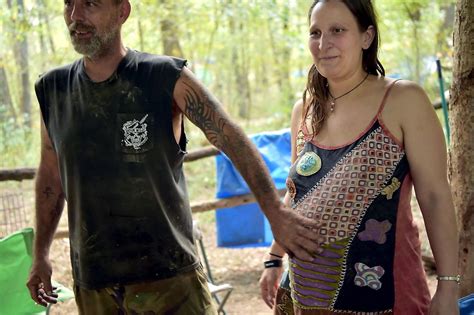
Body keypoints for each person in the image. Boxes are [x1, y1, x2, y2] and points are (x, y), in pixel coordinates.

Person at [26, 0, 323, 313]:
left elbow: (230, 137)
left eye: (90, 4)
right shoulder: (53, 90)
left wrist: (275, 212)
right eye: (68, 4)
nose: (75, 17)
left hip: (170, 278)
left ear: (122, 11)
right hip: (94, 282)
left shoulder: (165, 77)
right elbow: (50, 177)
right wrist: (40, 254)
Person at [259, 0, 460, 314]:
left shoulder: (402, 100)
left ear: (366, 37)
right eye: (315, 32)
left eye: (337, 30)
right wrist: (274, 256)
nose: (324, 44)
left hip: (385, 294)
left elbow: (435, 196)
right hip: (305, 294)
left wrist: (448, 286)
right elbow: (298, 195)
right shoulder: (306, 109)